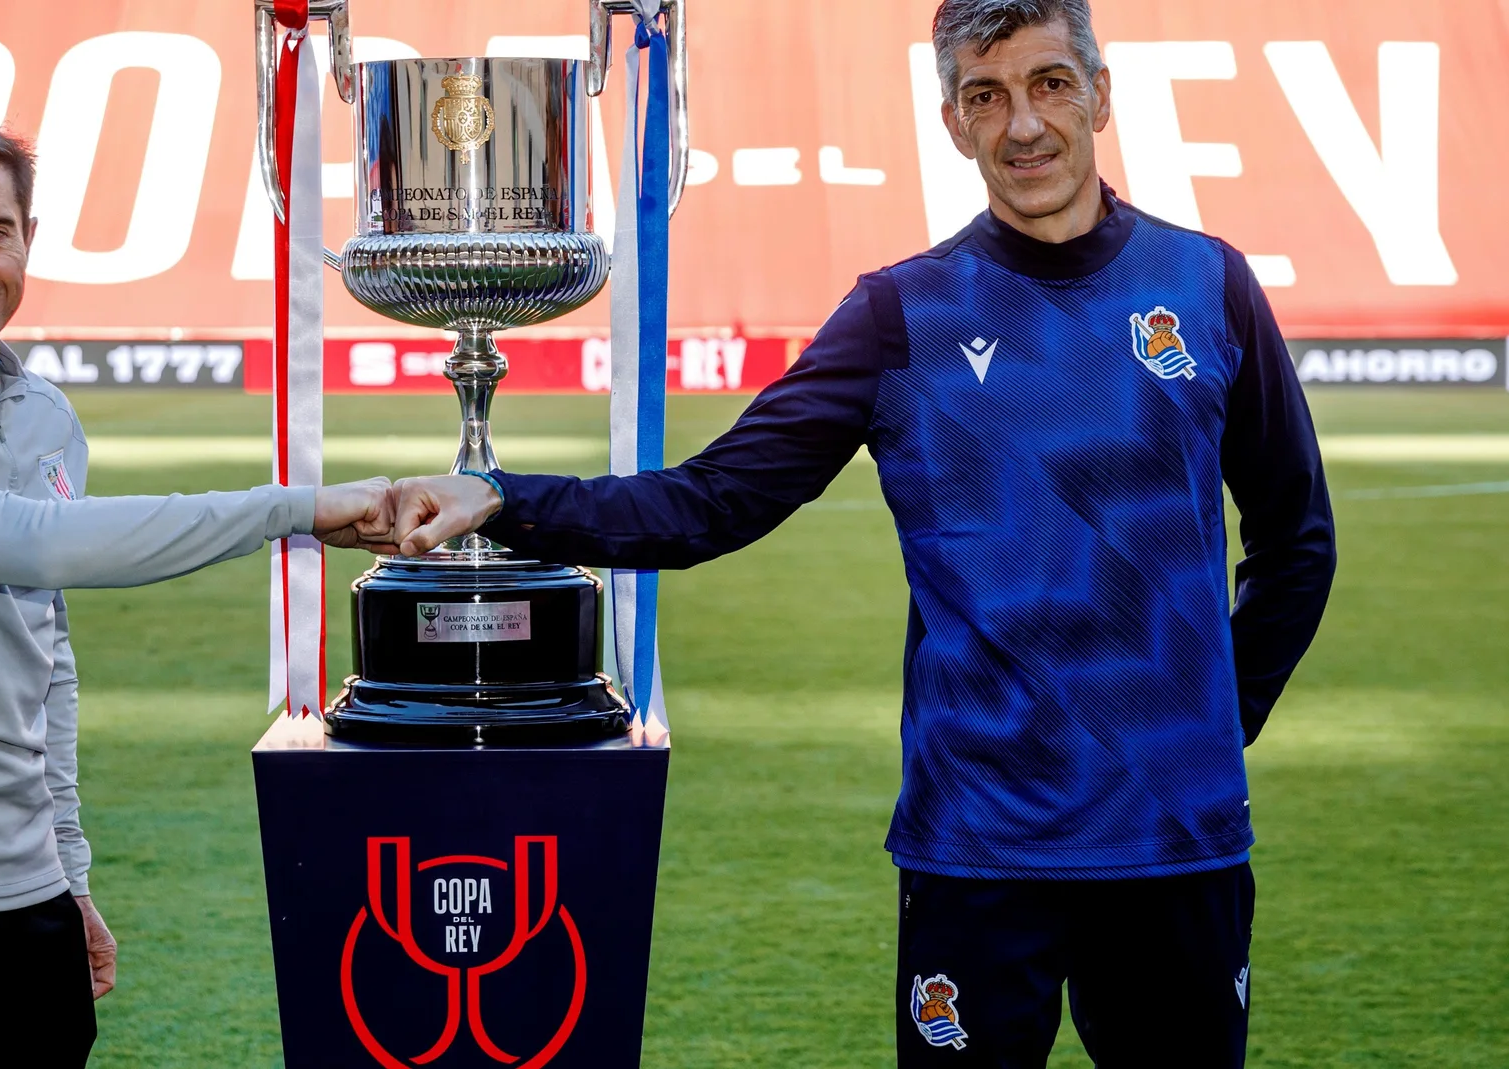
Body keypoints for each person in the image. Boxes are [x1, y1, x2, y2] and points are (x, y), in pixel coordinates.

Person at [383, 1, 1335, 1064]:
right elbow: (714, 502)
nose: (1022, 124)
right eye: (986, 96)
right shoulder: (900, 314)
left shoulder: (1208, 285)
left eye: (1049, 84)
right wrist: (503, 497)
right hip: (977, 853)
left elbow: (1297, 538)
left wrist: (1210, 721)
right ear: (950, 122)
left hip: (1175, 849)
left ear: (1099, 95)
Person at [0, 110, 392, 1068]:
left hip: (27, 898)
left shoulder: (43, 413)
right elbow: (40, 546)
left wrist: (67, 873)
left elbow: (43, 657)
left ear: (28, 239)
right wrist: (295, 507)